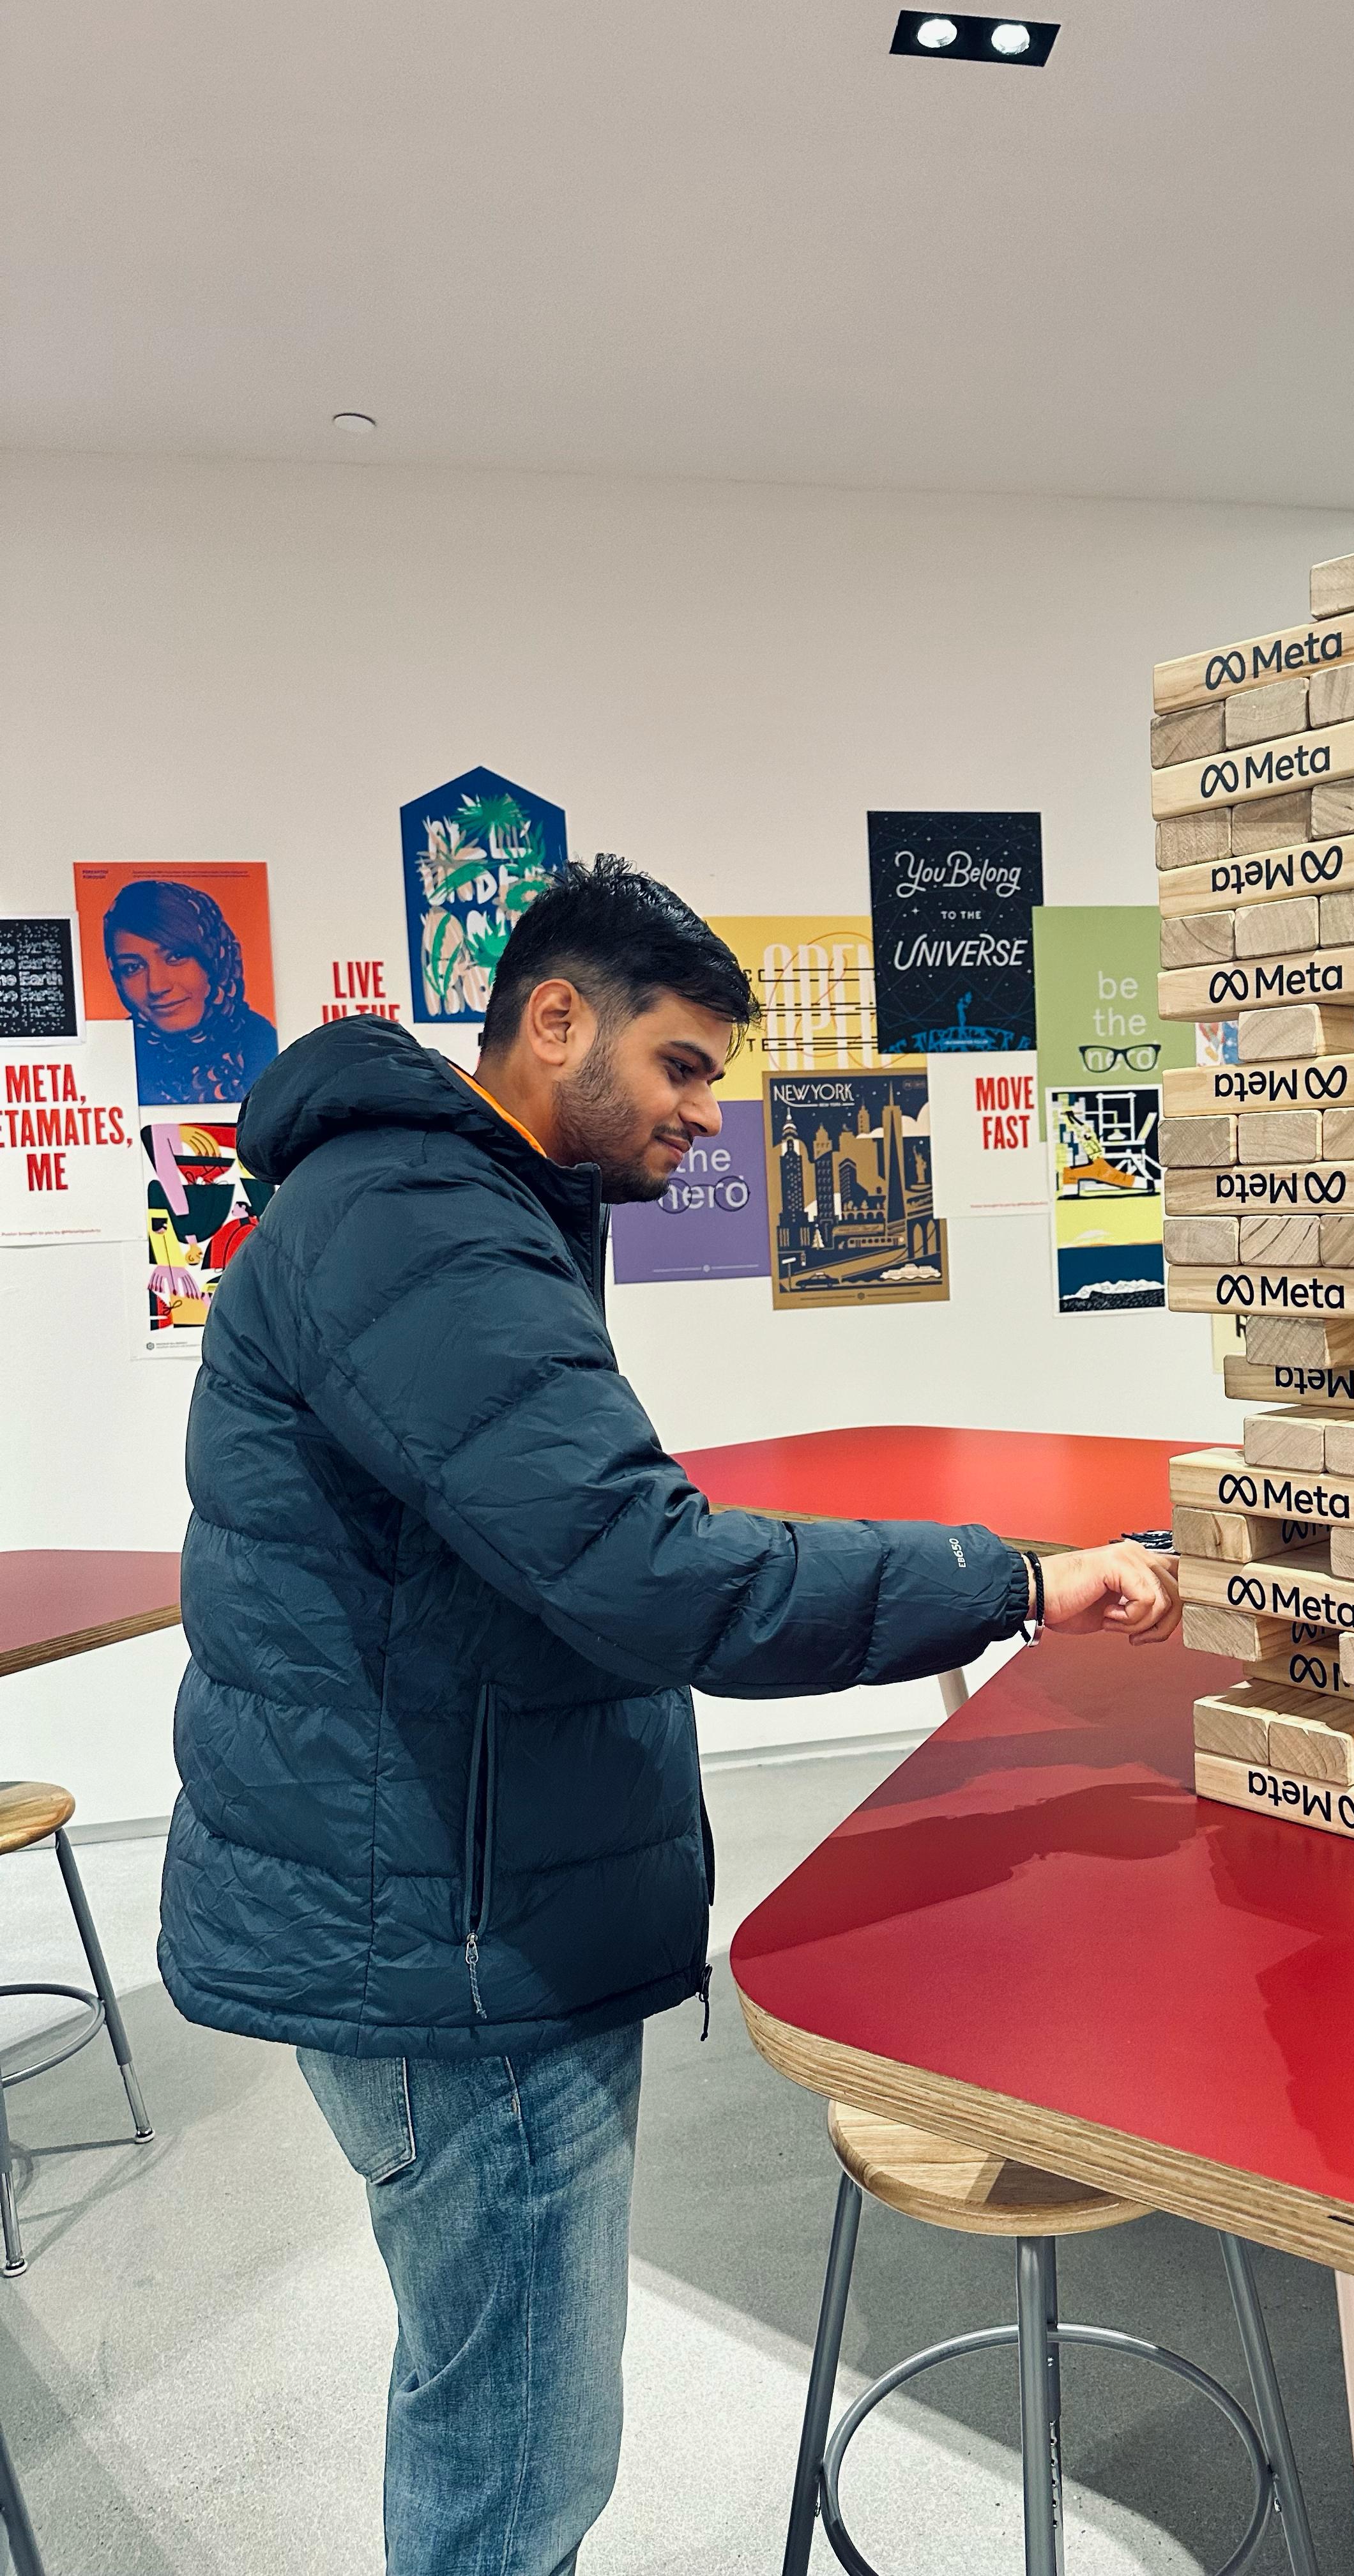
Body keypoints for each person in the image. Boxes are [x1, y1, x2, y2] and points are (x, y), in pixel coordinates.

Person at [156, 854, 1180, 2575]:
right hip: (452, 1943)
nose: (707, 1115)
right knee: (516, 2457)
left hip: (439, 1891)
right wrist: (1012, 1578)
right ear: (556, 1018)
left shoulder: (443, 1209)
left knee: (496, 2404)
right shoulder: (420, 1222)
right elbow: (650, 1573)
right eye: (684, 1066)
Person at [103, 877, 280, 1105]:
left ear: (213, 958)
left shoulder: (268, 1046)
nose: (157, 986)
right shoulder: (114, 1056)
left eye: (176, 957)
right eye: (133, 967)